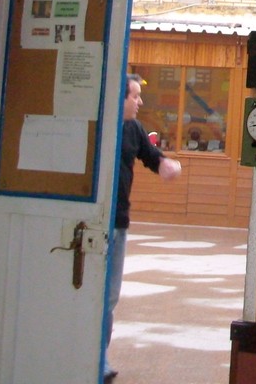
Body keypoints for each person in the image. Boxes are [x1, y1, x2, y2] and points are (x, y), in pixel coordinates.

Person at [103, 74, 182, 382]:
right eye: (134, 96)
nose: (140, 101)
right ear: (119, 97)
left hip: (118, 223)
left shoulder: (133, 128)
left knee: (109, 297)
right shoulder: (99, 124)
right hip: (92, 223)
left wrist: (165, 165)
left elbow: (152, 157)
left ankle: (99, 357)